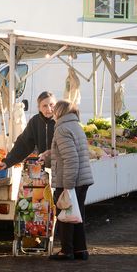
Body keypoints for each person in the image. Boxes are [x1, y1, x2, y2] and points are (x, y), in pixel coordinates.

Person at [48, 100, 94, 261]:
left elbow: (71, 158)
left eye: (54, 110)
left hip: (69, 179)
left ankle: (66, 251)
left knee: (65, 215)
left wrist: (68, 186)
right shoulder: (76, 125)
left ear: (59, 112)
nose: (52, 113)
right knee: (77, 215)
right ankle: (81, 250)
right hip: (82, 178)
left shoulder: (61, 129)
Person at [2, 91, 56, 167]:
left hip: (61, 167)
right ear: (39, 108)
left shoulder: (61, 120)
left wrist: (51, 153)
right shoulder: (35, 121)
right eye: (44, 106)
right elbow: (23, 143)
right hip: (43, 166)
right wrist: (8, 162)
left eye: (51, 105)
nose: (49, 109)